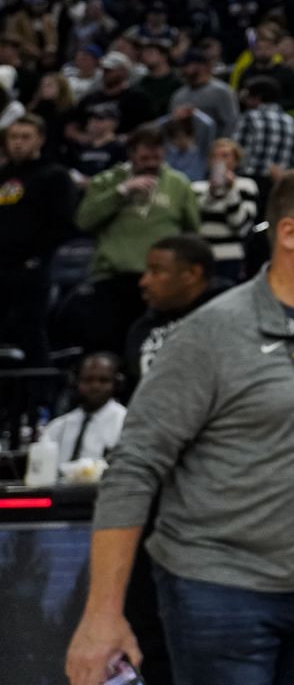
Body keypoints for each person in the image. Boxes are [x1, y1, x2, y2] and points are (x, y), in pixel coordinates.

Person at [67, 164, 294, 685]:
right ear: (290, 233)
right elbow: (134, 469)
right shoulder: (211, 332)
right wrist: (102, 614)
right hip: (220, 588)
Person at [76, 127, 201, 355]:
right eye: (145, 158)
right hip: (113, 277)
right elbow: (84, 221)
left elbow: (193, 231)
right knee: (108, 346)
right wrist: (121, 192)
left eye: (157, 157)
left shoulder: (179, 184)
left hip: (162, 282)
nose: (152, 163)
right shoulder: (106, 181)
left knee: (157, 349)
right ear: (131, 154)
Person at [1, 114, 77, 365]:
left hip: (32, 269)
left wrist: (36, 257)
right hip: (2, 266)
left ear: (40, 140)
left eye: (25, 137)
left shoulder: (54, 175)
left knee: (30, 331)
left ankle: (40, 397)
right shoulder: (4, 175)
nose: (18, 143)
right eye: (13, 137)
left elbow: (62, 223)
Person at [124, 236, 225, 392]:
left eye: (156, 271)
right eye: (147, 271)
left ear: (191, 274)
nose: (143, 281)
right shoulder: (142, 328)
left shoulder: (231, 317)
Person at [193, 138, 260, 283]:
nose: (220, 160)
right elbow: (195, 219)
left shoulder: (246, 186)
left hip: (230, 258)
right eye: (216, 156)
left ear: (236, 161)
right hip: (201, 257)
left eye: (225, 155)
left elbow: (240, 225)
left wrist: (231, 191)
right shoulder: (196, 188)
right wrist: (212, 192)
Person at [44, 352, 128, 463]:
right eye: (88, 380)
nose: (95, 386)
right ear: (75, 382)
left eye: (103, 380)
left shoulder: (126, 423)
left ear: (117, 384)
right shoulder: (57, 428)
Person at [234, 76, 294, 182]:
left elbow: (235, 151)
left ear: (257, 97)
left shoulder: (249, 118)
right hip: (280, 185)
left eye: (248, 96)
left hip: (250, 183)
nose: (245, 101)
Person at [170, 48, 238, 138]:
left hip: (216, 147)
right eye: (183, 65)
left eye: (188, 64)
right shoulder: (178, 95)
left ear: (204, 66)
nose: (185, 69)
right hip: (189, 149)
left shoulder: (221, 91)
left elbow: (231, 124)